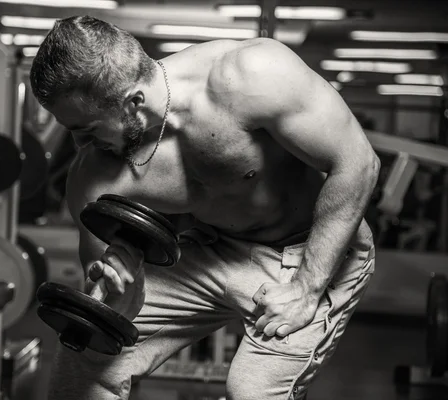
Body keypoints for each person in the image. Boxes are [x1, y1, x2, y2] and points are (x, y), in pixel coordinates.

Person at [29, 15, 379, 400]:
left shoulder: (249, 77)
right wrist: (119, 291)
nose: (80, 145)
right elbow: (107, 306)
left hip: (308, 251)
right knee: (85, 352)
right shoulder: (93, 177)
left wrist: (307, 288)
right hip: (211, 248)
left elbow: (358, 163)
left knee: (252, 390)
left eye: (88, 129)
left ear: (133, 103)